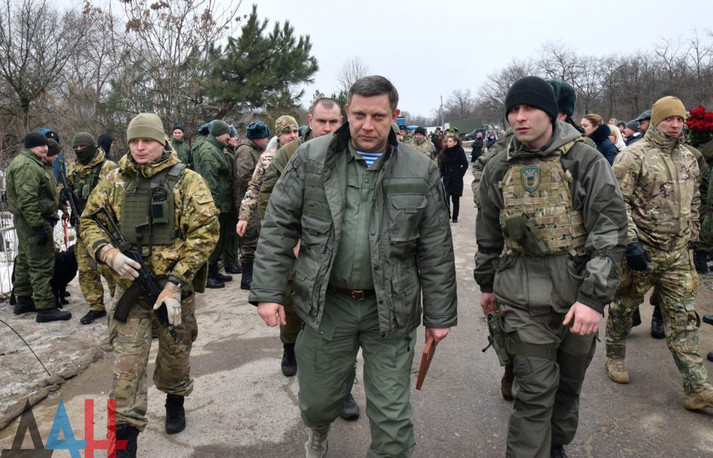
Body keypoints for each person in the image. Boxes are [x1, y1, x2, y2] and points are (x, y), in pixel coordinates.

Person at [249, 75, 458, 457]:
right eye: (359, 115)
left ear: (394, 115)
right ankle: (317, 432)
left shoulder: (419, 169)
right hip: (328, 304)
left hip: (390, 310)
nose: (367, 125)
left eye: (378, 116)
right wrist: (267, 291)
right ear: (347, 112)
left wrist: (439, 314)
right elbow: (279, 224)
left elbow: (435, 247)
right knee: (318, 402)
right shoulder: (311, 158)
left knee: (393, 424)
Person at [474, 76, 627, 457]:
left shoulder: (585, 159)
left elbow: (609, 230)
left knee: (569, 386)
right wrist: (487, 284)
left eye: (529, 109)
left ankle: (556, 444)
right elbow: (488, 233)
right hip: (519, 298)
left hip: (576, 294)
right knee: (534, 391)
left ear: (551, 113)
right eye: (513, 110)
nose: (519, 117)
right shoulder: (498, 166)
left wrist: (593, 299)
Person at [80, 113, 219, 457]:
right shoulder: (114, 179)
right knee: (126, 371)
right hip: (131, 293)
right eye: (134, 141)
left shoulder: (187, 181)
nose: (140, 147)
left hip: (173, 292)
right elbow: (90, 221)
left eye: (147, 141)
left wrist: (176, 281)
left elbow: (205, 233)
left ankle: (175, 399)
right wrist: (108, 253)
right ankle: (123, 443)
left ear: (162, 141)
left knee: (175, 357)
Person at [605, 96, 713, 411]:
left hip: (677, 255)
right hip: (642, 251)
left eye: (679, 120)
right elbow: (617, 202)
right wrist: (630, 243)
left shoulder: (689, 157)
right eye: (669, 119)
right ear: (656, 121)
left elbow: (695, 199)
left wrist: (692, 234)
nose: (675, 125)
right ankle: (614, 356)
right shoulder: (633, 156)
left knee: (683, 319)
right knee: (624, 308)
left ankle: (697, 388)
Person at [257, 98, 360, 419]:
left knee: (336, 322)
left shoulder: (351, 153)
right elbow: (269, 197)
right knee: (292, 303)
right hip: (296, 249)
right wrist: (292, 239)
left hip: (332, 252)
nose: (328, 128)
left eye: (334, 122)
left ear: (342, 122)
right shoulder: (290, 153)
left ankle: (342, 389)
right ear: (310, 120)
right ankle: (289, 347)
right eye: (322, 122)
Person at [7, 133, 73, 322]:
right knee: (42, 264)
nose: (45, 148)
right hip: (34, 220)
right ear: (30, 146)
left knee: (25, 259)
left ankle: (24, 300)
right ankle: (46, 308)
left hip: (28, 220)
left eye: (46, 145)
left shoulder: (31, 162)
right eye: (40, 146)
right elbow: (28, 200)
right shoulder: (27, 166)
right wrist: (38, 227)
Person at [66, 132, 119, 325]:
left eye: (82, 147)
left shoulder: (108, 167)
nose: (79, 150)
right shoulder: (73, 169)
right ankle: (95, 306)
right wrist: (62, 193)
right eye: (76, 148)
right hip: (82, 226)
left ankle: (119, 303)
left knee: (110, 268)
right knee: (86, 269)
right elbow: (66, 188)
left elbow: (118, 194)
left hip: (105, 227)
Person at [196, 120, 236, 289]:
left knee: (219, 240)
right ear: (219, 134)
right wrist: (215, 205)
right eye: (226, 133)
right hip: (216, 205)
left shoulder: (219, 149)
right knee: (212, 240)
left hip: (225, 203)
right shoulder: (208, 152)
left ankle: (213, 271)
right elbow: (209, 181)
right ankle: (207, 276)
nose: (229, 136)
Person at [233, 121, 270, 289]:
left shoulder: (257, 149)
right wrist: (263, 186)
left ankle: (254, 275)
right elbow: (244, 175)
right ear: (257, 138)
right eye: (264, 137)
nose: (267, 140)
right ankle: (247, 279)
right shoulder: (246, 151)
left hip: (256, 201)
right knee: (250, 238)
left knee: (256, 237)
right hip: (247, 201)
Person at [439, 133, 468, 223]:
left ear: (455, 142)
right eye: (447, 141)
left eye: (450, 141)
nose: (448, 143)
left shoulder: (460, 151)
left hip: (456, 178)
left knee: (455, 199)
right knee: (446, 197)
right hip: (447, 178)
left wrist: (460, 174)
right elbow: (442, 165)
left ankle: (455, 217)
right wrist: (440, 175)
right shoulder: (444, 151)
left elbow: (465, 164)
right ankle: (447, 214)